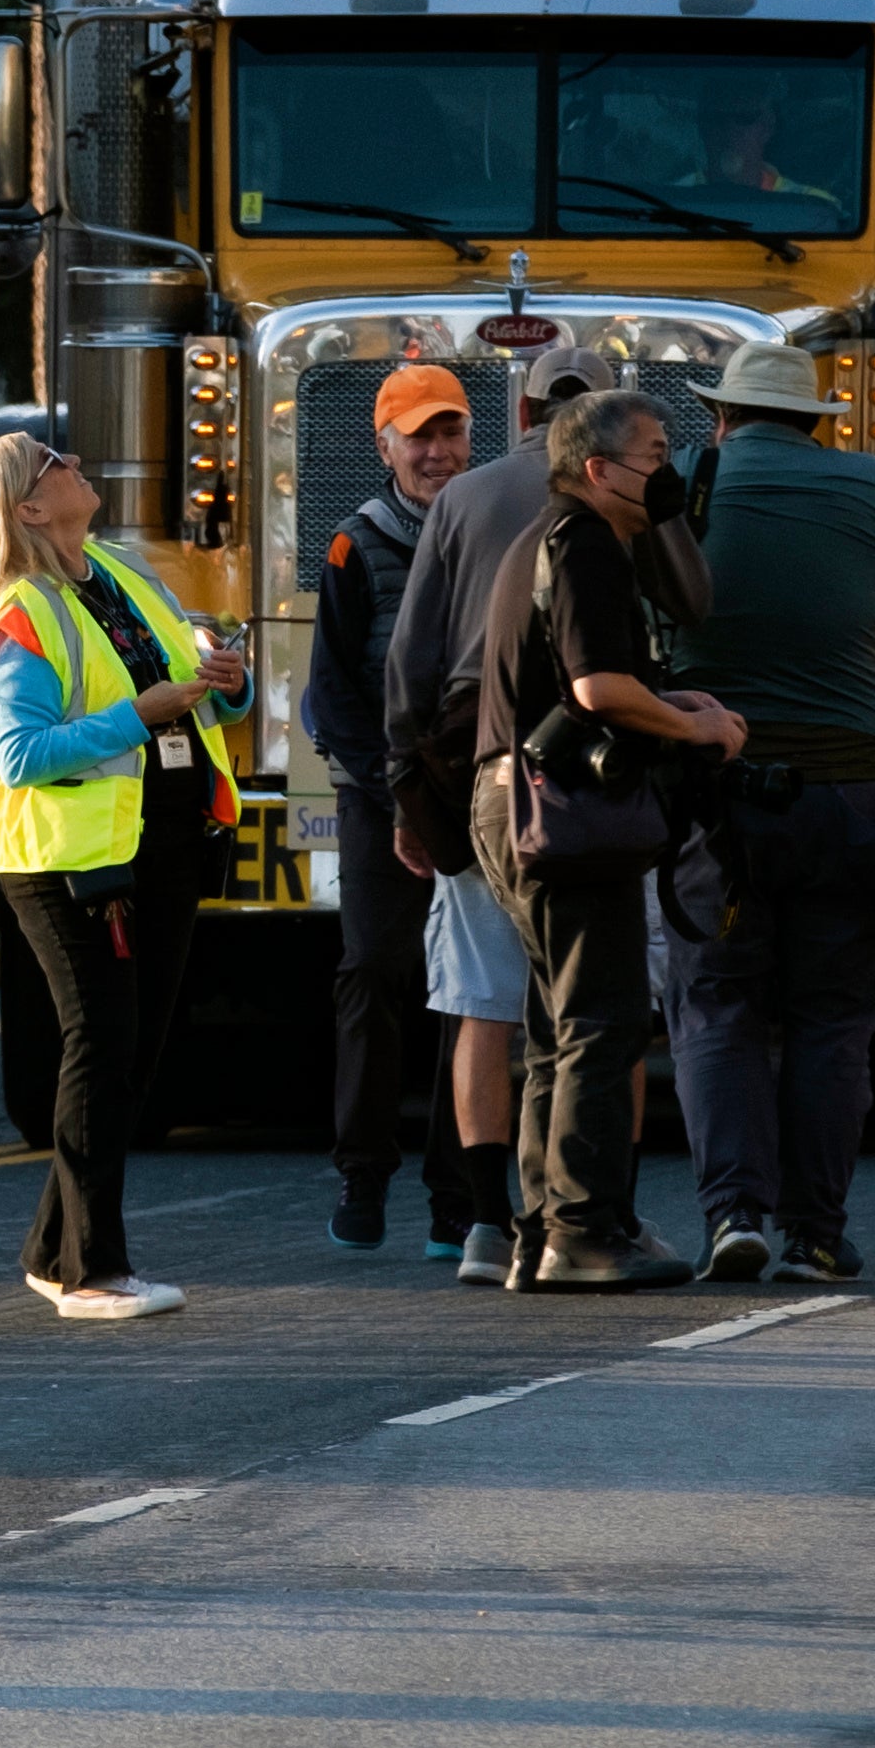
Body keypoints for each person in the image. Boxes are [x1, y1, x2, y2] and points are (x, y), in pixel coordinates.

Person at [656, 338, 875, 1288]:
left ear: (720, 416)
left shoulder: (686, 477)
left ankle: (733, 1210)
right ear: (814, 421)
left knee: (717, 1004)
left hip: (717, 794)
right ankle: (815, 1233)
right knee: (833, 1019)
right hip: (850, 793)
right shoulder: (871, 484)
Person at [0, 430, 242, 1323]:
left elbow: (191, 689)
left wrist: (221, 684)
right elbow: (21, 752)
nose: (77, 464)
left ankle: (53, 1248)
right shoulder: (21, 612)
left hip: (157, 840)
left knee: (134, 1053)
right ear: (27, 507)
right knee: (101, 1045)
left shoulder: (116, 573)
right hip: (73, 860)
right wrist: (137, 714)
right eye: (54, 463)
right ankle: (92, 1270)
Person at [490, 387, 712, 1292]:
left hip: (522, 803)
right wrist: (697, 729)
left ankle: (545, 1229)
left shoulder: (546, 536)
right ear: (598, 468)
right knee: (601, 1020)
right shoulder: (582, 543)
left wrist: (680, 704)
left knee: (557, 1026)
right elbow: (597, 689)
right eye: (654, 455)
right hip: (566, 811)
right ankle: (584, 1230)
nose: (667, 472)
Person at [381, 392, 571, 1279]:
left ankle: (487, 1223)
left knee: (482, 1005)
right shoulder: (631, 490)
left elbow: (411, 657)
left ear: (522, 407)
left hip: (472, 763)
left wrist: (406, 793)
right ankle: (575, 1212)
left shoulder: (463, 496)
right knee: (589, 1006)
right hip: (596, 767)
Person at [312, 363, 496, 1262]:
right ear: (383, 446)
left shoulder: (498, 530)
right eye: (419, 435)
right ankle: (362, 1171)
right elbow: (334, 696)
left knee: (472, 995)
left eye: (451, 432)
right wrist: (396, 801)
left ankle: (456, 1198)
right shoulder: (354, 547)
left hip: (482, 799)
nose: (438, 452)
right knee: (374, 971)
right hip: (382, 800)